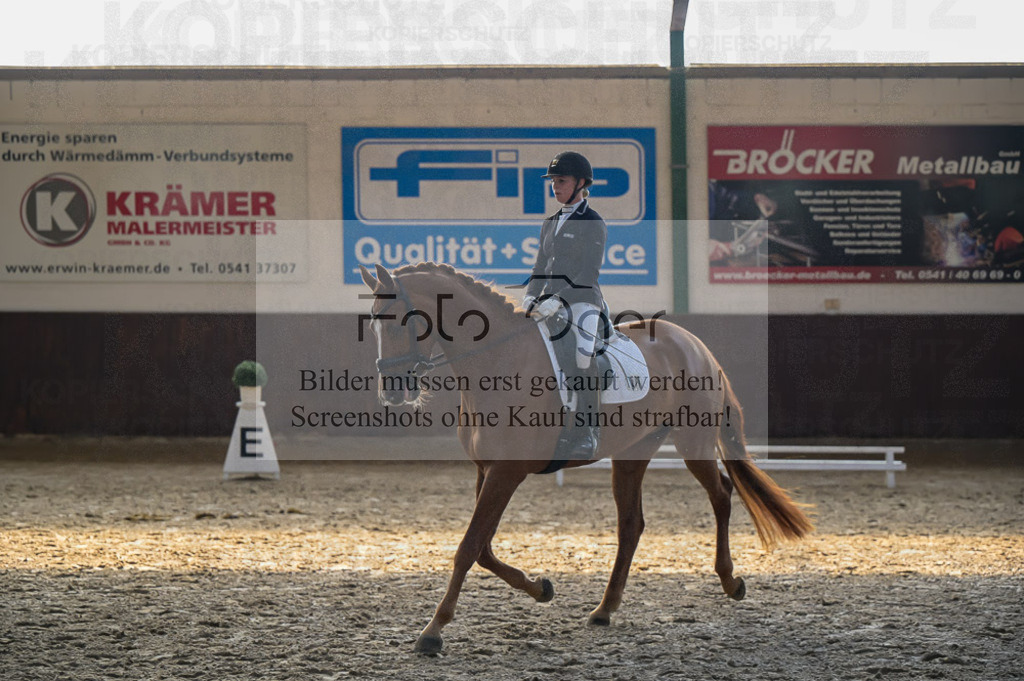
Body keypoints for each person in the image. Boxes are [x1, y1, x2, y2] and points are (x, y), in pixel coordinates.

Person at [522, 151, 607, 460]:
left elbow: (589, 272)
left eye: (562, 181)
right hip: (547, 304)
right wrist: (531, 296)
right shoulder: (550, 222)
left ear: (581, 183)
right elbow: (540, 267)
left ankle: (588, 431)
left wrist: (559, 299)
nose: (555, 187)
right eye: (553, 182)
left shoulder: (593, 222)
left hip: (583, 301)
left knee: (583, 355)